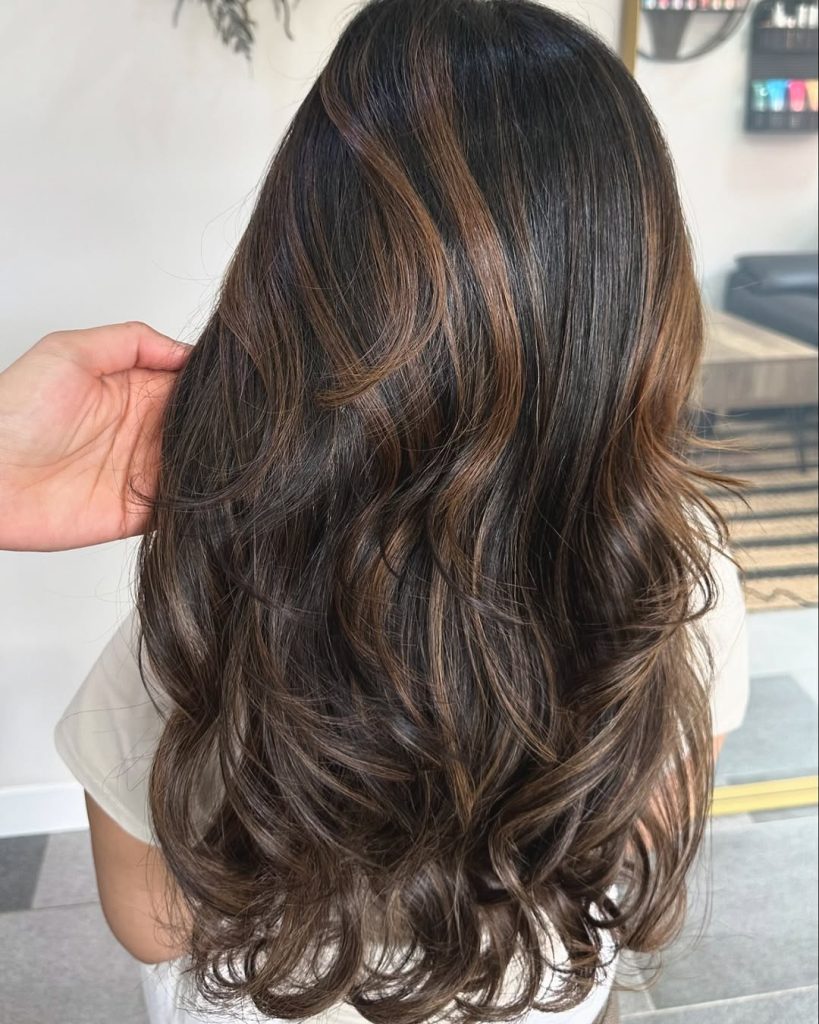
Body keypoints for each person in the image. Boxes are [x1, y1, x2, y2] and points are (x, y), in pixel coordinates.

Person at [7, 1, 750, 1022]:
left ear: (300, 275)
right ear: (638, 297)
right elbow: (639, 854)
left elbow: (150, 924)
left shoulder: (230, 585)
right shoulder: (674, 578)